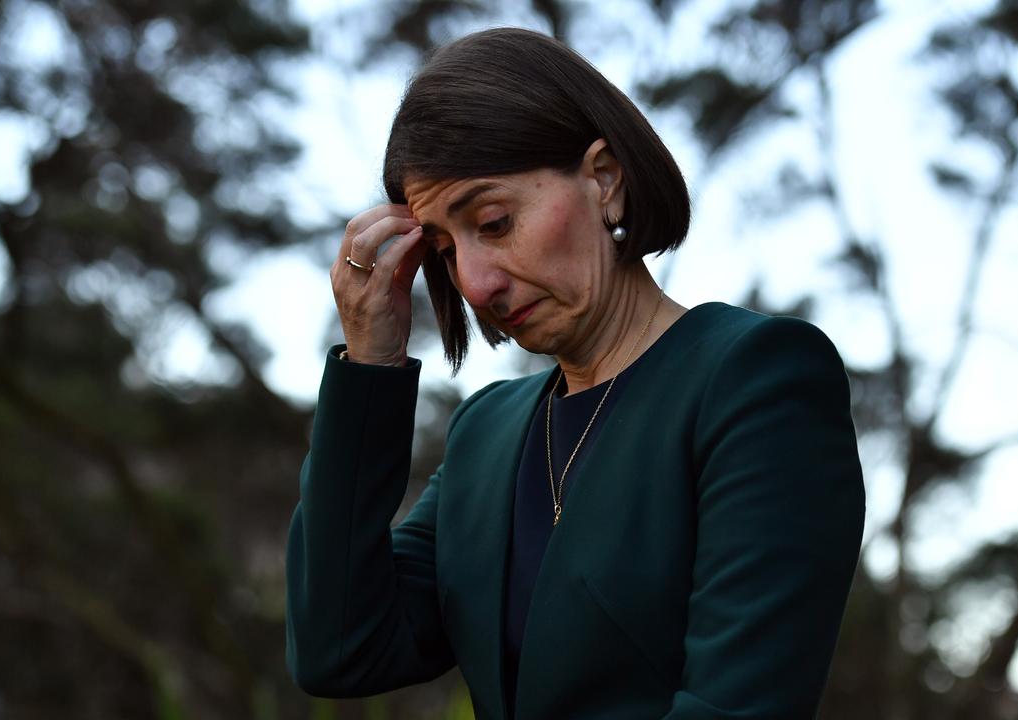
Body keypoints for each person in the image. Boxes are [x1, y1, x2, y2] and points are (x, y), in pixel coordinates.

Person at [285, 27, 865, 720]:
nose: (473, 282)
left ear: (604, 181)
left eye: (494, 222)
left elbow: (737, 705)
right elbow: (341, 646)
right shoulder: (487, 434)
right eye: (442, 249)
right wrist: (368, 367)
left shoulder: (754, 380)